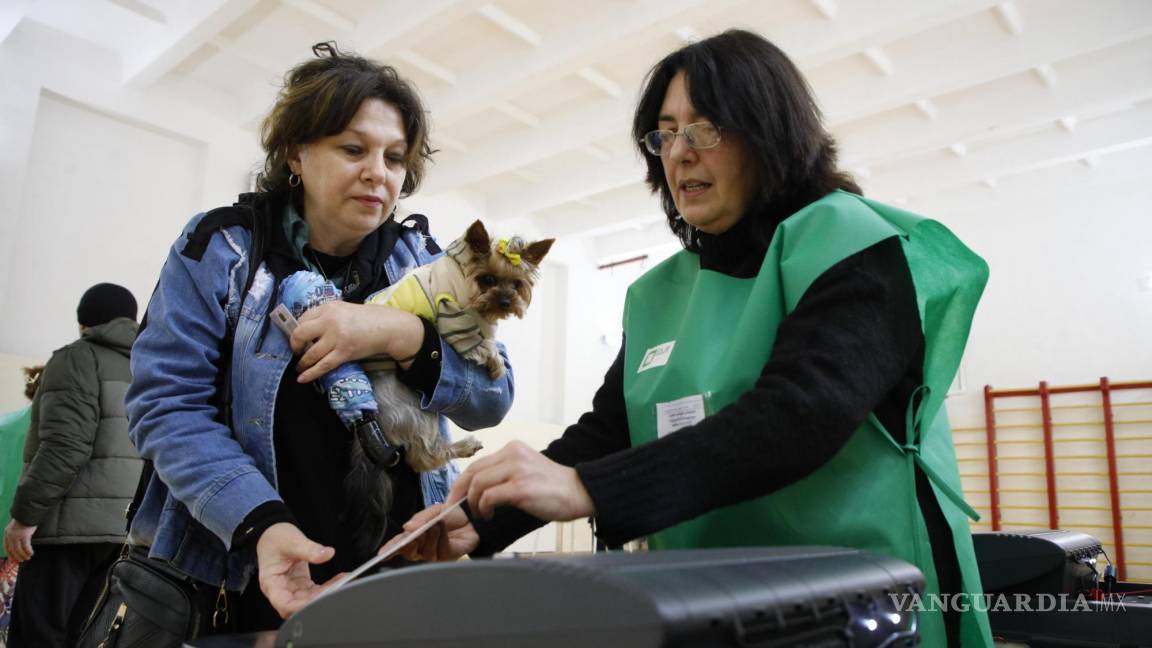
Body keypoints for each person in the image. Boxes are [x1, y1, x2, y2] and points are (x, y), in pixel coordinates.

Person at [402, 29, 993, 647]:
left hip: (865, 607)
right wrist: (479, 518)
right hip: (714, 608)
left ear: (771, 131)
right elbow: (609, 433)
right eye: (665, 133)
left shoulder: (852, 243)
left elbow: (799, 415)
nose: (679, 153)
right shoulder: (661, 293)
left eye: (705, 128)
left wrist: (588, 489)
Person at [122, 42, 513, 634]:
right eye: (353, 148)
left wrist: (404, 334)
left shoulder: (429, 262)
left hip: (398, 568)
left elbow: (494, 396)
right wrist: (260, 524)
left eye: (395, 157)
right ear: (296, 154)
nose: (377, 172)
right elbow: (166, 405)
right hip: (247, 571)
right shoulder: (222, 249)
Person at [4, 283, 141, 647]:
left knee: (36, 638)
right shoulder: (146, 366)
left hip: (67, 530)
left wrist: (24, 517)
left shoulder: (76, 358)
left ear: (83, 323)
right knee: (79, 637)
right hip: (120, 535)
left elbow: (65, 447)